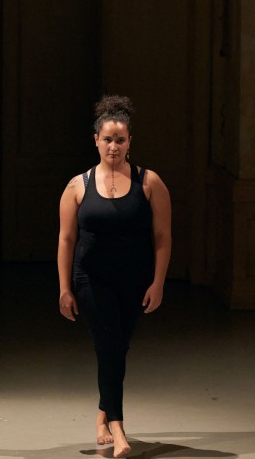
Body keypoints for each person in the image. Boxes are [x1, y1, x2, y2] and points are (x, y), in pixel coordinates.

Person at [57, 95, 171, 458]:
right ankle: (118, 427)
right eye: (107, 139)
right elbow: (66, 239)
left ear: (129, 141)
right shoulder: (78, 185)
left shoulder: (149, 182)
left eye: (120, 139)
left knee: (118, 347)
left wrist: (158, 282)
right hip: (91, 279)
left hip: (134, 280)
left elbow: (163, 237)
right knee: (108, 344)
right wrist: (64, 288)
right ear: (96, 140)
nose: (114, 146)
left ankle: (102, 416)